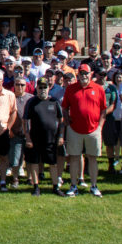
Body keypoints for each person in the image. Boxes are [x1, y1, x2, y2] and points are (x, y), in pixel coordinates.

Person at [60, 64, 106, 197]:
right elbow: (64, 107)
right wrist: (67, 120)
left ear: (91, 74)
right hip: (74, 129)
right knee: (74, 157)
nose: (84, 76)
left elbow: (103, 110)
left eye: (86, 73)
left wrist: (100, 127)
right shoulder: (71, 89)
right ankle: (73, 185)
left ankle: (94, 185)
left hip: (93, 129)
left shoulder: (98, 89)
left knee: (92, 158)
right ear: (78, 75)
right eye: (81, 73)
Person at [23, 75, 64, 196]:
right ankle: (36, 187)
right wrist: (28, 137)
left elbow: (61, 120)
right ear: (37, 88)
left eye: (45, 87)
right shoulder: (31, 102)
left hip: (51, 138)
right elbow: (25, 121)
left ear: (48, 88)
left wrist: (61, 136)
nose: (42, 90)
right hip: (35, 138)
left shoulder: (54, 101)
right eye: (40, 87)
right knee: (34, 162)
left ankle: (55, 186)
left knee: (52, 163)